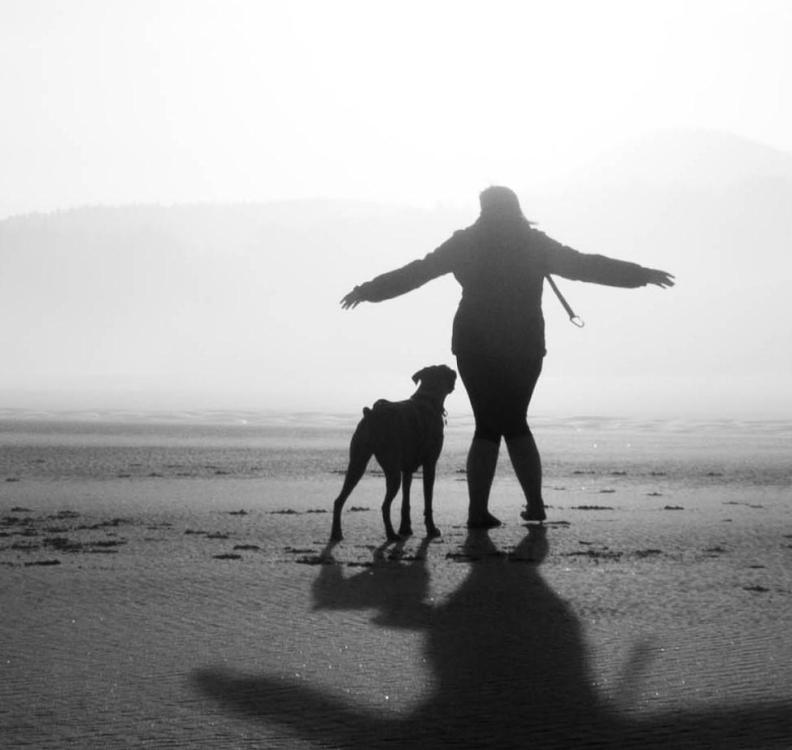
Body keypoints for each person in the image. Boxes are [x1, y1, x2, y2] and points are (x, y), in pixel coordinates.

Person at [340, 186, 674, 528]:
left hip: (475, 344)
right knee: (515, 421)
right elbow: (585, 266)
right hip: (524, 344)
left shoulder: (466, 242)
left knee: (487, 425)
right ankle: (534, 504)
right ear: (516, 208)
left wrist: (368, 291)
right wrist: (641, 275)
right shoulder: (533, 242)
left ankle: (478, 512)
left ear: (483, 209)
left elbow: (415, 273)